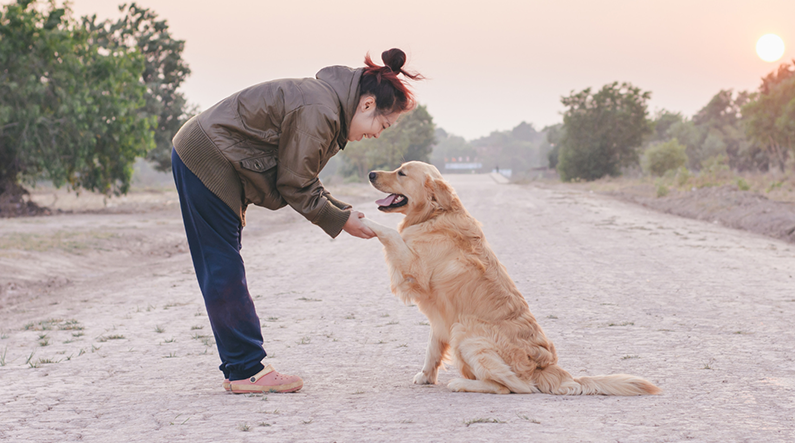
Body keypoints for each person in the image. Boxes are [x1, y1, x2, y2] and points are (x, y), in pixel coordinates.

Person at [170, 48, 423, 393]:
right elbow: (294, 184)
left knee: (221, 262)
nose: (379, 133)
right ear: (367, 104)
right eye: (383, 124)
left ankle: (240, 368)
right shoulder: (320, 111)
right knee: (222, 264)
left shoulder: (325, 106)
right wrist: (341, 220)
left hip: (206, 153)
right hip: (208, 157)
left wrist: (343, 211)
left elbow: (300, 176)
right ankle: (246, 369)